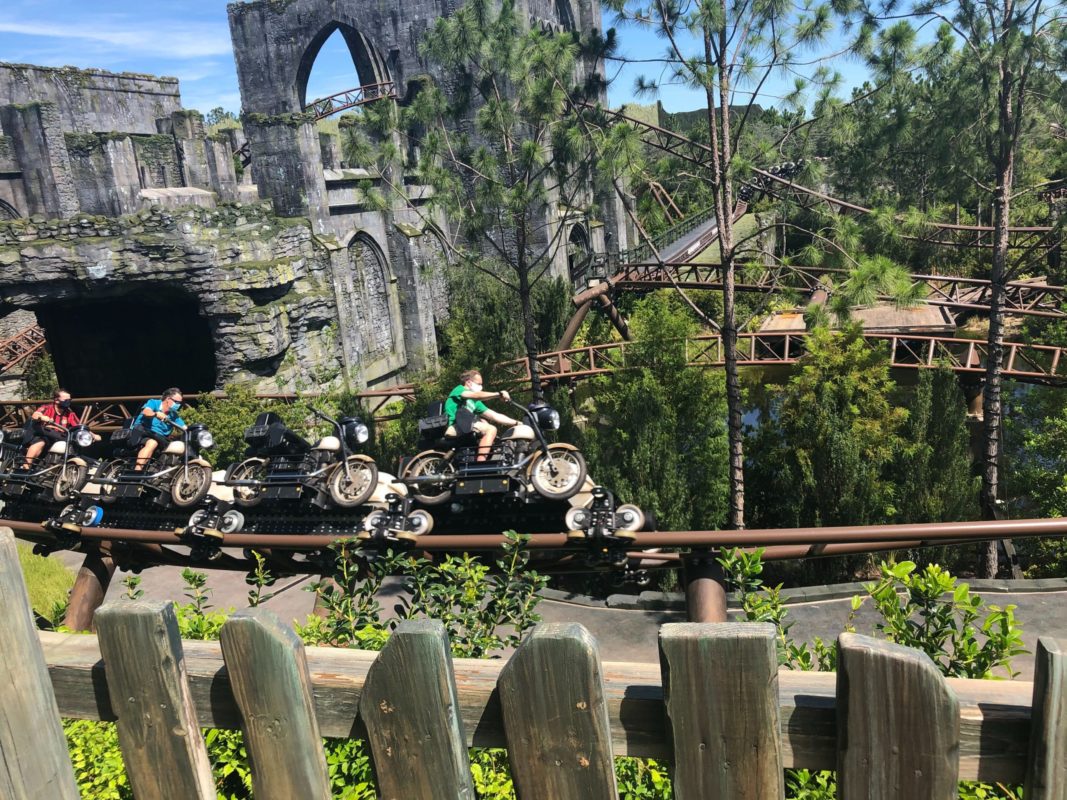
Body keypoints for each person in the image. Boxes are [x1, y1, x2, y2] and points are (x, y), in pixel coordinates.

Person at [444, 369, 518, 461]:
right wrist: (498, 394)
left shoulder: (475, 403)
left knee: (490, 430)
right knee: (491, 429)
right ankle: (481, 462)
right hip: (456, 426)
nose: (481, 387)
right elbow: (476, 395)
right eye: (479, 384)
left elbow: (494, 416)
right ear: (469, 382)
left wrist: (516, 423)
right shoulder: (459, 390)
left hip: (467, 426)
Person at [22, 388, 98, 468]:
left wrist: (92, 434)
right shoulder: (47, 408)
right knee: (41, 442)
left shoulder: (70, 414)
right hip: (43, 435)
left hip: (58, 437)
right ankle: (26, 466)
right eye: (65, 400)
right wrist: (42, 417)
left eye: (70, 400)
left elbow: (79, 426)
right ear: (57, 400)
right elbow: (35, 415)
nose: (68, 402)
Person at [132, 388, 187, 470]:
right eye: (176, 402)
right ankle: (137, 471)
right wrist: (156, 414)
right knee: (152, 443)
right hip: (143, 433)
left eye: (180, 403)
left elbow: (184, 427)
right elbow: (146, 412)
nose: (178, 405)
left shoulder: (174, 415)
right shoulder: (154, 403)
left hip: (160, 439)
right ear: (168, 399)